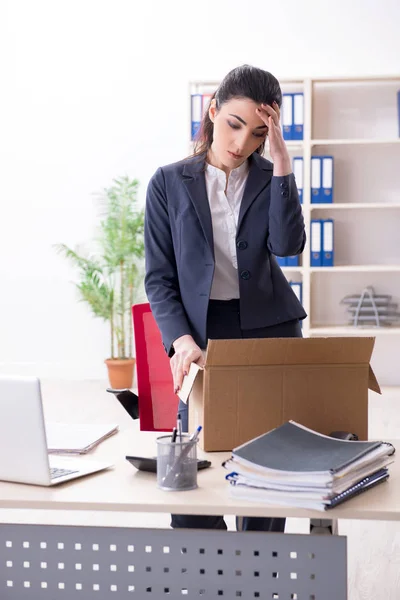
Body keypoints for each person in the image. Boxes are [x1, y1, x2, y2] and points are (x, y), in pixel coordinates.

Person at [144, 64, 306, 531]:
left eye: (257, 134)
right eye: (234, 124)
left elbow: (288, 245)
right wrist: (179, 339)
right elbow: (159, 278)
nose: (241, 144)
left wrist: (282, 164)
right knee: (193, 483)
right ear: (212, 108)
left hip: (268, 331)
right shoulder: (169, 183)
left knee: (266, 477)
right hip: (200, 337)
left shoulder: (268, 174)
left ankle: (260, 583)